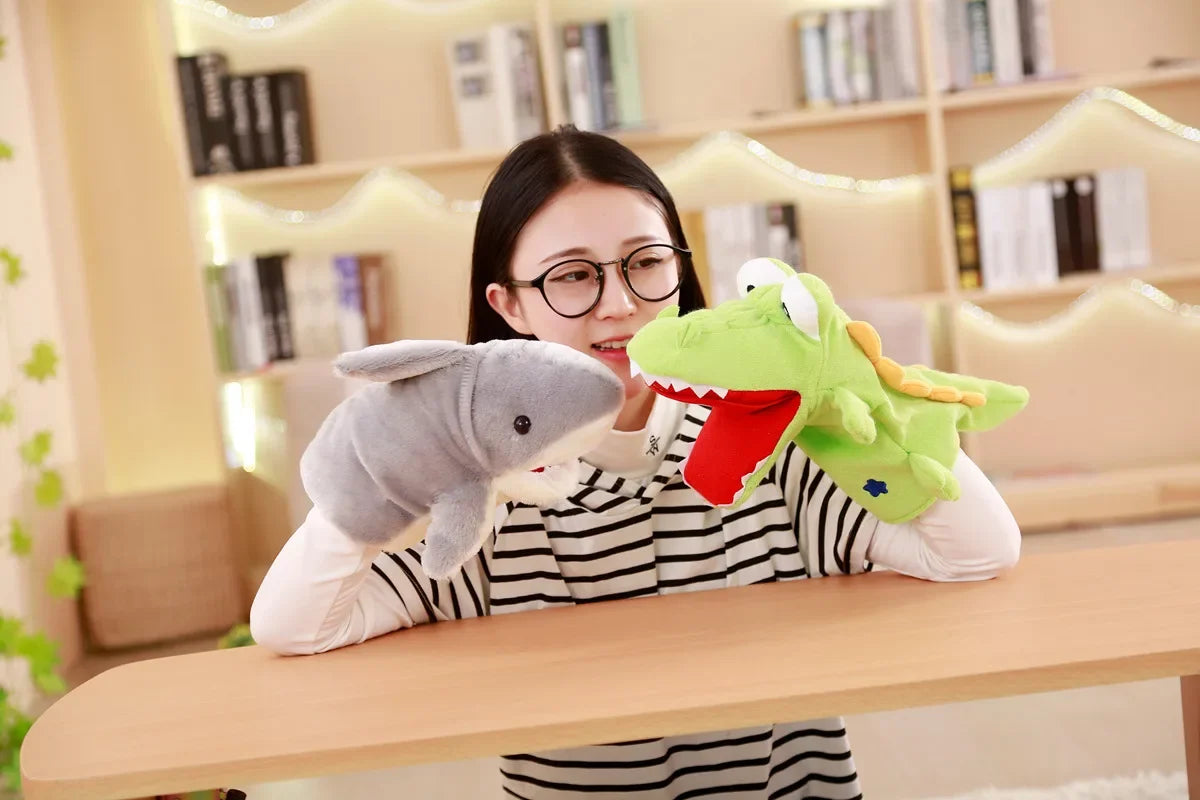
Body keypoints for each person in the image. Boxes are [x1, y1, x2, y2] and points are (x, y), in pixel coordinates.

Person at [250, 125, 1022, 799]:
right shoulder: (484, 493)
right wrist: (398, 448)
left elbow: (976, 552)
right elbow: (296, 628)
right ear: (508, 305)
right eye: (574, 275)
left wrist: (843, 391)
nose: (619, 302)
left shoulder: (768, 443)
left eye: (645, 262)